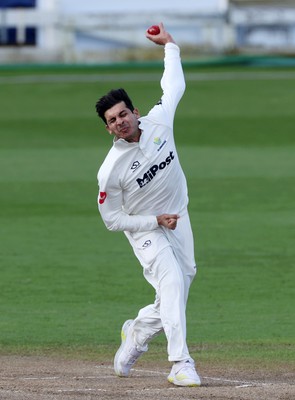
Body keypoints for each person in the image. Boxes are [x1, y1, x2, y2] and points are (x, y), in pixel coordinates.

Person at [95, 22, 201, 387]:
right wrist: (153, 220)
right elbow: (112, 220)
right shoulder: (110, 171)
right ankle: (180, 363)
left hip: (180, 215)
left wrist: (169, 45)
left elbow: (174, 85)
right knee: (171, 281)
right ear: (108, 129)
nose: (120, 122)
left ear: (135, 111)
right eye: (112, 121)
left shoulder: (159, 122)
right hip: (147, 230)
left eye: (123, 114)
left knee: (180, 286)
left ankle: (136, 334)